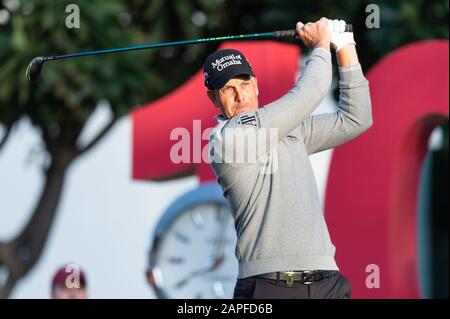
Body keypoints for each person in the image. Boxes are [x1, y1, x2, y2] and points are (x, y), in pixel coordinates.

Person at [205, 18, 372, 299]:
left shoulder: (288, 128)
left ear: (255, 85)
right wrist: (320, 44)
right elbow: (312, 90)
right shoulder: (226, 139)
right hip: (269, 286)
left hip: (326, 282)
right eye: (227, 89)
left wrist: (344, 46)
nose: (239, 96)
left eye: (244, 84)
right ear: (213, 98)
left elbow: (356, 119)